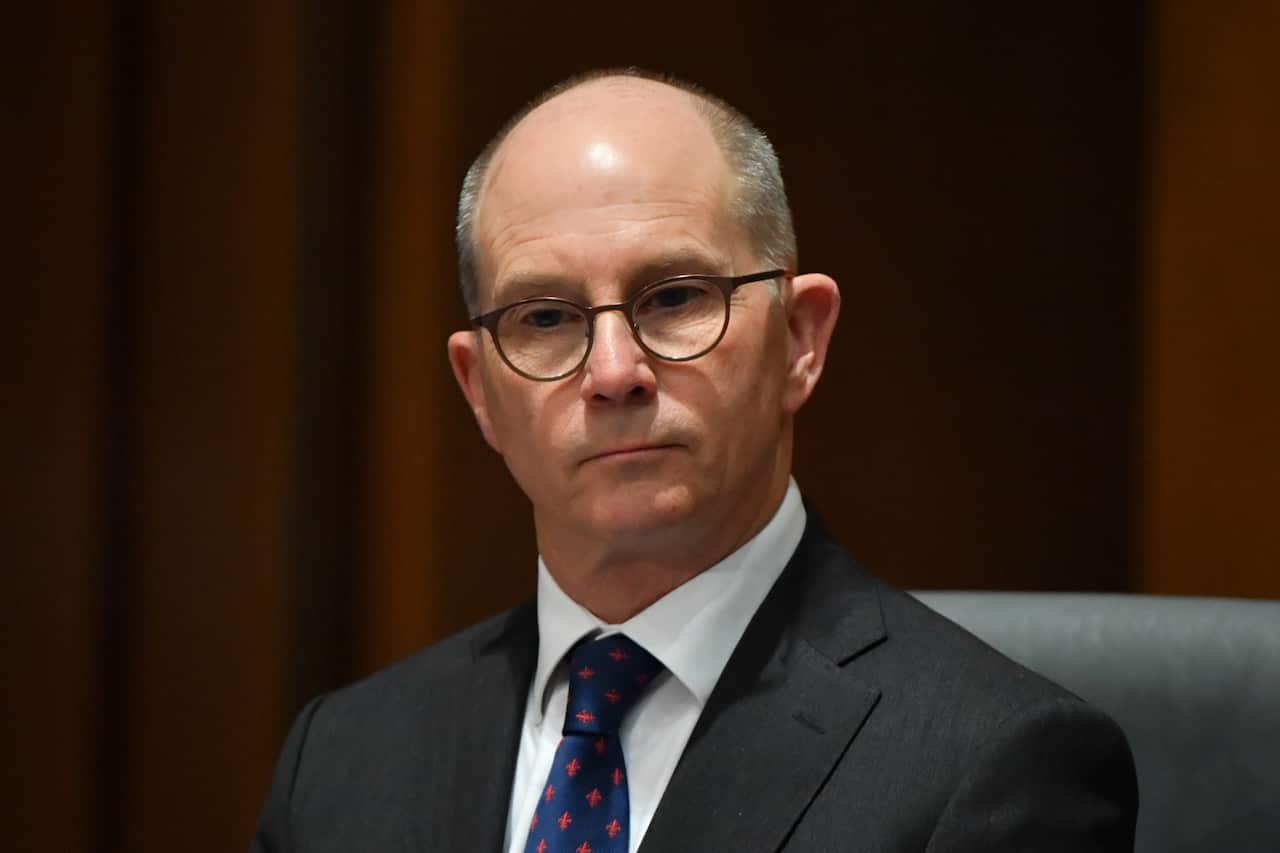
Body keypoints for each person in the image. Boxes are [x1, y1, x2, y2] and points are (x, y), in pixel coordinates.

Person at [251, 69, 1137, 852]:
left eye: (675, 298)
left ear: (799, 339)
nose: (612, 373)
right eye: (546, 318)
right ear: (479, 388)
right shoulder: (340, 760)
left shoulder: (996, 765)